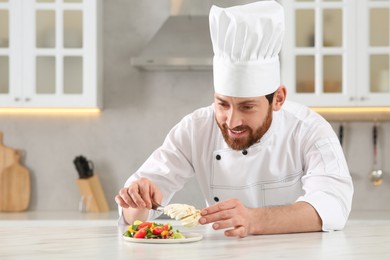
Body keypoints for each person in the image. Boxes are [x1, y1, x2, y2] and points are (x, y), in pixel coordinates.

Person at [115, 0, 353, 238]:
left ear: (278, 98)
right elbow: (134, 216)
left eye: (247, 107)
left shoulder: (310, 130)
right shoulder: (194, 130)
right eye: (223, 104)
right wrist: (137, 201)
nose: (232, 121)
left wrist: (253, 220)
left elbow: (332, 206)